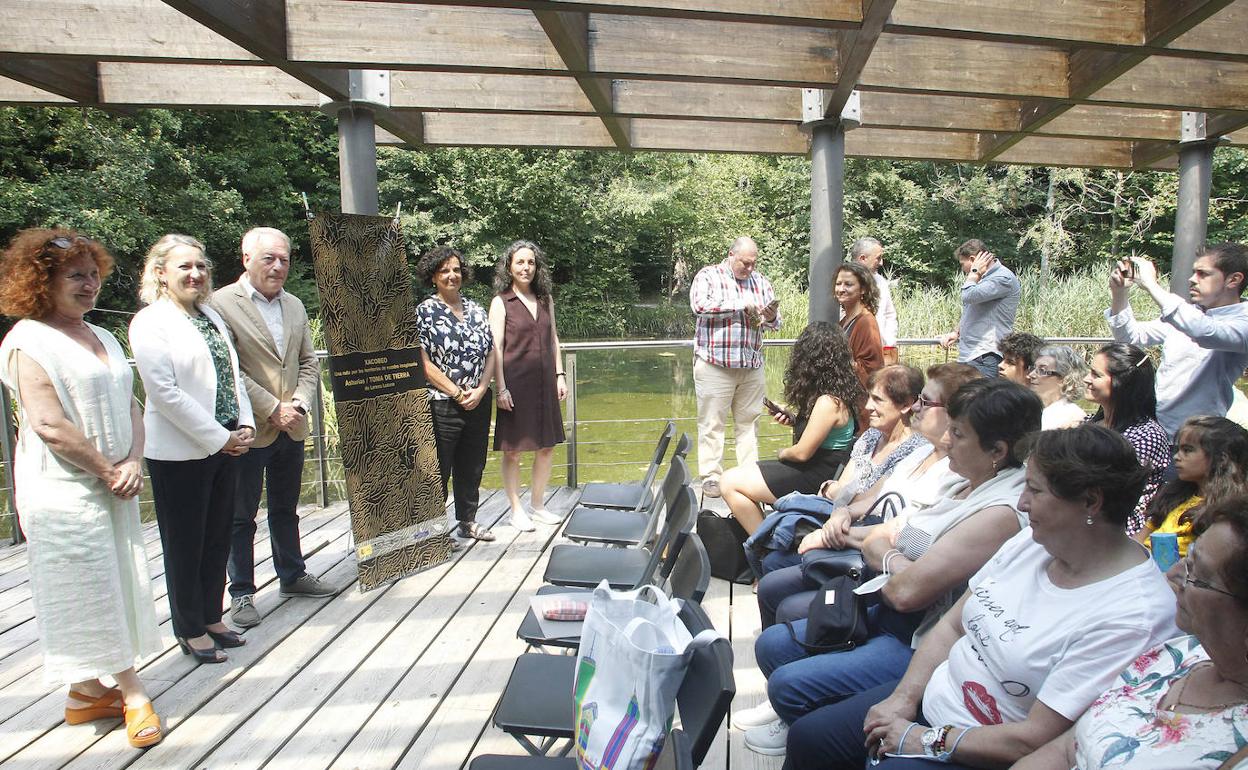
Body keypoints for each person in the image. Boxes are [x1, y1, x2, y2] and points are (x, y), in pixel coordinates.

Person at [789, 425, 1178, 770]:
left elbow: (1036, 738)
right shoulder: (1034, 541)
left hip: (980, 746)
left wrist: (923, 739)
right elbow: (954, 624)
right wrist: (904, 699)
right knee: (809, 739)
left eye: (1035, 490)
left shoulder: (1132, 616)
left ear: (1091, 502)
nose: (1022, 503)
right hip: (932, 697)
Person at [737, 380, 1042, 756]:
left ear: (997, 450)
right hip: (881, 598)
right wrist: (877, 545)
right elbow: (890, 532)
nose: (946, 441)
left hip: (911, 634)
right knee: (774, 641)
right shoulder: (962, 482)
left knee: (795, 695)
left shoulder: (999, 511)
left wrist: (886, 555)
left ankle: (803, 724)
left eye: (958, 434)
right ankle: (795, 717)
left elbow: (907, 590)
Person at [0, 229, 162, 749]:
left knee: (116, 578)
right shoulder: (27, 341)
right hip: (65, 490)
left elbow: (132, 405)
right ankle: (133, 692)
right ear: (41, 281)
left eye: (94, 274)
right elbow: (47, 424)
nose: (90, 285)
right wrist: (107, 469)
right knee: (86, 585)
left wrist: (134, 460)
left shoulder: (104, 337)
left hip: (117, 481)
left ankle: (86, 692)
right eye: (76, 275)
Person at [1016, 496, 1248, 770]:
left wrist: (951, 738)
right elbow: (1067, 748)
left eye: (1196, 574)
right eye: (1187, 559)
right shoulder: (1178, 654)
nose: (1174, 573)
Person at [751, 363, 979, 616]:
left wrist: (834, 532)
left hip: (877, 562)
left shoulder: (956, 471)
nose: (916, 407)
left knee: (782, 597)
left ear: (954, 413)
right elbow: (873, 498)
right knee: (773, 571)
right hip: (864, 541)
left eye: (925, 402)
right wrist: (843, 514)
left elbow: (902, 532)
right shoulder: (920, 451)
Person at [130, 234, 255, 667]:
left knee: (217, 535)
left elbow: (232, 375)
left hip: (225, 444)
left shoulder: (210, 316)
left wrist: (245, 424)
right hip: (181, 453)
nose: (196, 274)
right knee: (186, 542)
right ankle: (188, 627)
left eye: (201, 266)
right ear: (160, 272)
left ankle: (211, 615)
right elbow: (163, 394)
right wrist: (218, 437)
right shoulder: (150, 323)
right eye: (185, 266)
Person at [211, 227, 335, 631]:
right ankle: (242, 592)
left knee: (286, 509)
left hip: (292, 426)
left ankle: (293, 575)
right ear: (246, 258)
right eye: (269, 258)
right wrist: (271, 409)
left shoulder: (295, 305)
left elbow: (308, 363)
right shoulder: (220, 304)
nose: (278, 266)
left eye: (284, 259)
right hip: (250, 429)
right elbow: (232, 369)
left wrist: (296, 404)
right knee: (240, 515)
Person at [719, 322, 864, 535]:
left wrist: (782, 453)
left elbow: (802, 453)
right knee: (742, 476)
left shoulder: (828, 402)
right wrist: (795, 420)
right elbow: (823, 434)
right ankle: (767, 534)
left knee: (729, 482)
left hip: (815, 477)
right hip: (819, 469)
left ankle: (765, 545)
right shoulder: (839, 394)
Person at [1107, 243, 1248, 439]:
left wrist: (1151, 284)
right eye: (1193, 272)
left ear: (1234, 279)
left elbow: (1204, 332)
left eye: (1203, 274)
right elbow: (1131, 337)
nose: (1192, 279)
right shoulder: (1190, 315)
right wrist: (1119, 294)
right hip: (1153, 432)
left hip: (1198, 440)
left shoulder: (1242, 321)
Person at [416, 245, 497, 542]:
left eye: (456, 270)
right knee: (440, 466)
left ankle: (468, 521)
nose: (452, 276)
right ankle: (435, 531)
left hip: (478, 399)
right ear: (433, 277)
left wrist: (481, 388)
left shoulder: (475, 309)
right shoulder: (424, 311)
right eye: (444, 271)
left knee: (473, 463)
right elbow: (422, 362)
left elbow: (491, 352)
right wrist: (457, 392)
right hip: (442, 403)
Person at [689, 236, 780, 498]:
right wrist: (740, 305)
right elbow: (700, 306)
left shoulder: (761, 281)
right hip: (715, 364)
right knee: (712, 423)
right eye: (745, 263)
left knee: (749, 423)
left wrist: (771, 316)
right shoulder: (708, 276)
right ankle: (711, 476)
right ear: (731, 255)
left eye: (753, 264)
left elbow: (775, 324)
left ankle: (749, 475)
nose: (749, 269)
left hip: (751, 364)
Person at [489, 240, 566, 531]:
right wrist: (501, 388)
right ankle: (516, 509)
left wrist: (560, 375)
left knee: (546, 447)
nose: (526, 267)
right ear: (509, 266)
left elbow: (554, 338)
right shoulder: (501, 302)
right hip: (516, 386)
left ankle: (537, 505)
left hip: (545, 383)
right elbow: (495, 347)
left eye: (531, 262)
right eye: (520, 262)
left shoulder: (545, 300)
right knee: (514, 451)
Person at [1085, 342, 1169, 533]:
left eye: (1096, 375)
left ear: (1122, 383)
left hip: (1118, 529)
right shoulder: (1088, 423)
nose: (1085, 379)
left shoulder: (1147, 435)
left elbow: (1110, 488)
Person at [1137, 415, 1248, 557]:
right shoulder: (1173, 496)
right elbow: (1138, 540)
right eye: (1178, 449)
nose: (1176, 456)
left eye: (1187, 450)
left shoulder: (1230, 512)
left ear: (1221, 459)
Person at [939, 240, 1021, 378]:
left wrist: (974, 272)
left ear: (973, 259)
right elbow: (972, 308)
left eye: (962, 264)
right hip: (972, 354)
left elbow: (969, 296)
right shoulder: (983, 278)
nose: (962, 269)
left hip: (985, 356)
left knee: (981, 399)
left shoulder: (1002, 278)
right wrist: (956, 332)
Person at [834, 261, 885, 387]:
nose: (841, 289)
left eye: (848, 284)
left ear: (863, 289)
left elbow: (872, 370)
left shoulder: (866, 322)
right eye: (838, 284)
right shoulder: (844, 321)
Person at [852, 237, 897, 357]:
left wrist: (889, 343)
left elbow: (889, 314)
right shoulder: (844, 281)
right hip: (851, 353)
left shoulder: (881, 282)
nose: (881, 263)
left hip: (879, 352)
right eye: (878, 258)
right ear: (863, 258)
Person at [1027, 344, 1088, 429]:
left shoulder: (1072, 419)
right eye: (1033, 368)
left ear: (1065, 379)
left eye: (1042, 370)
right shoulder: (1034, 410)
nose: (1030, 375)